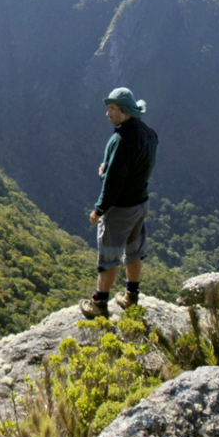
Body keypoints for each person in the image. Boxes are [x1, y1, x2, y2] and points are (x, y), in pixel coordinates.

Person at [80, 87, 159, 319]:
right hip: (141, 203)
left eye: (111, 109)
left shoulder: (120, 140)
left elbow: (114, 182)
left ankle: (99, 304)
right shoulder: (150, 134)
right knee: (134, 252)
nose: (107, 114)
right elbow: (140, 169)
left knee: (109, 257)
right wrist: (111, 171)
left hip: (121, 208)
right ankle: (131, 297)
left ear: (124, 111)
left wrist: (99, 209)